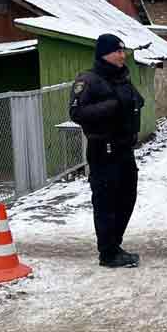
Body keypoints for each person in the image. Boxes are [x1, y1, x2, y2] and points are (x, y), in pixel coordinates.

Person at [69, 34, 145, 269]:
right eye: (118, 51)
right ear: (104, 53)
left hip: (124, 148)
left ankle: (115, 245)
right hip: (104, 149)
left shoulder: (122, 78)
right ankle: (108, 253)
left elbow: (135, 101)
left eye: (123, 50)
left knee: (127, 197)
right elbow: (76, 113)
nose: (123, 55)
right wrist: (110, 107)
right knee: (106, 202)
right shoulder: (88, 80)